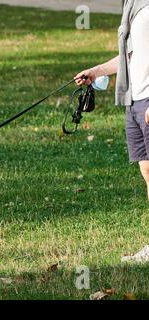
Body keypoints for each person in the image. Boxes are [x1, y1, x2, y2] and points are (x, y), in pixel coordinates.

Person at [75, 1, 149, 202]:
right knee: (146, 168)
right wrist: (96, 71)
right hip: (134, 100)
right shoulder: (132, 6)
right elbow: (131, 54)